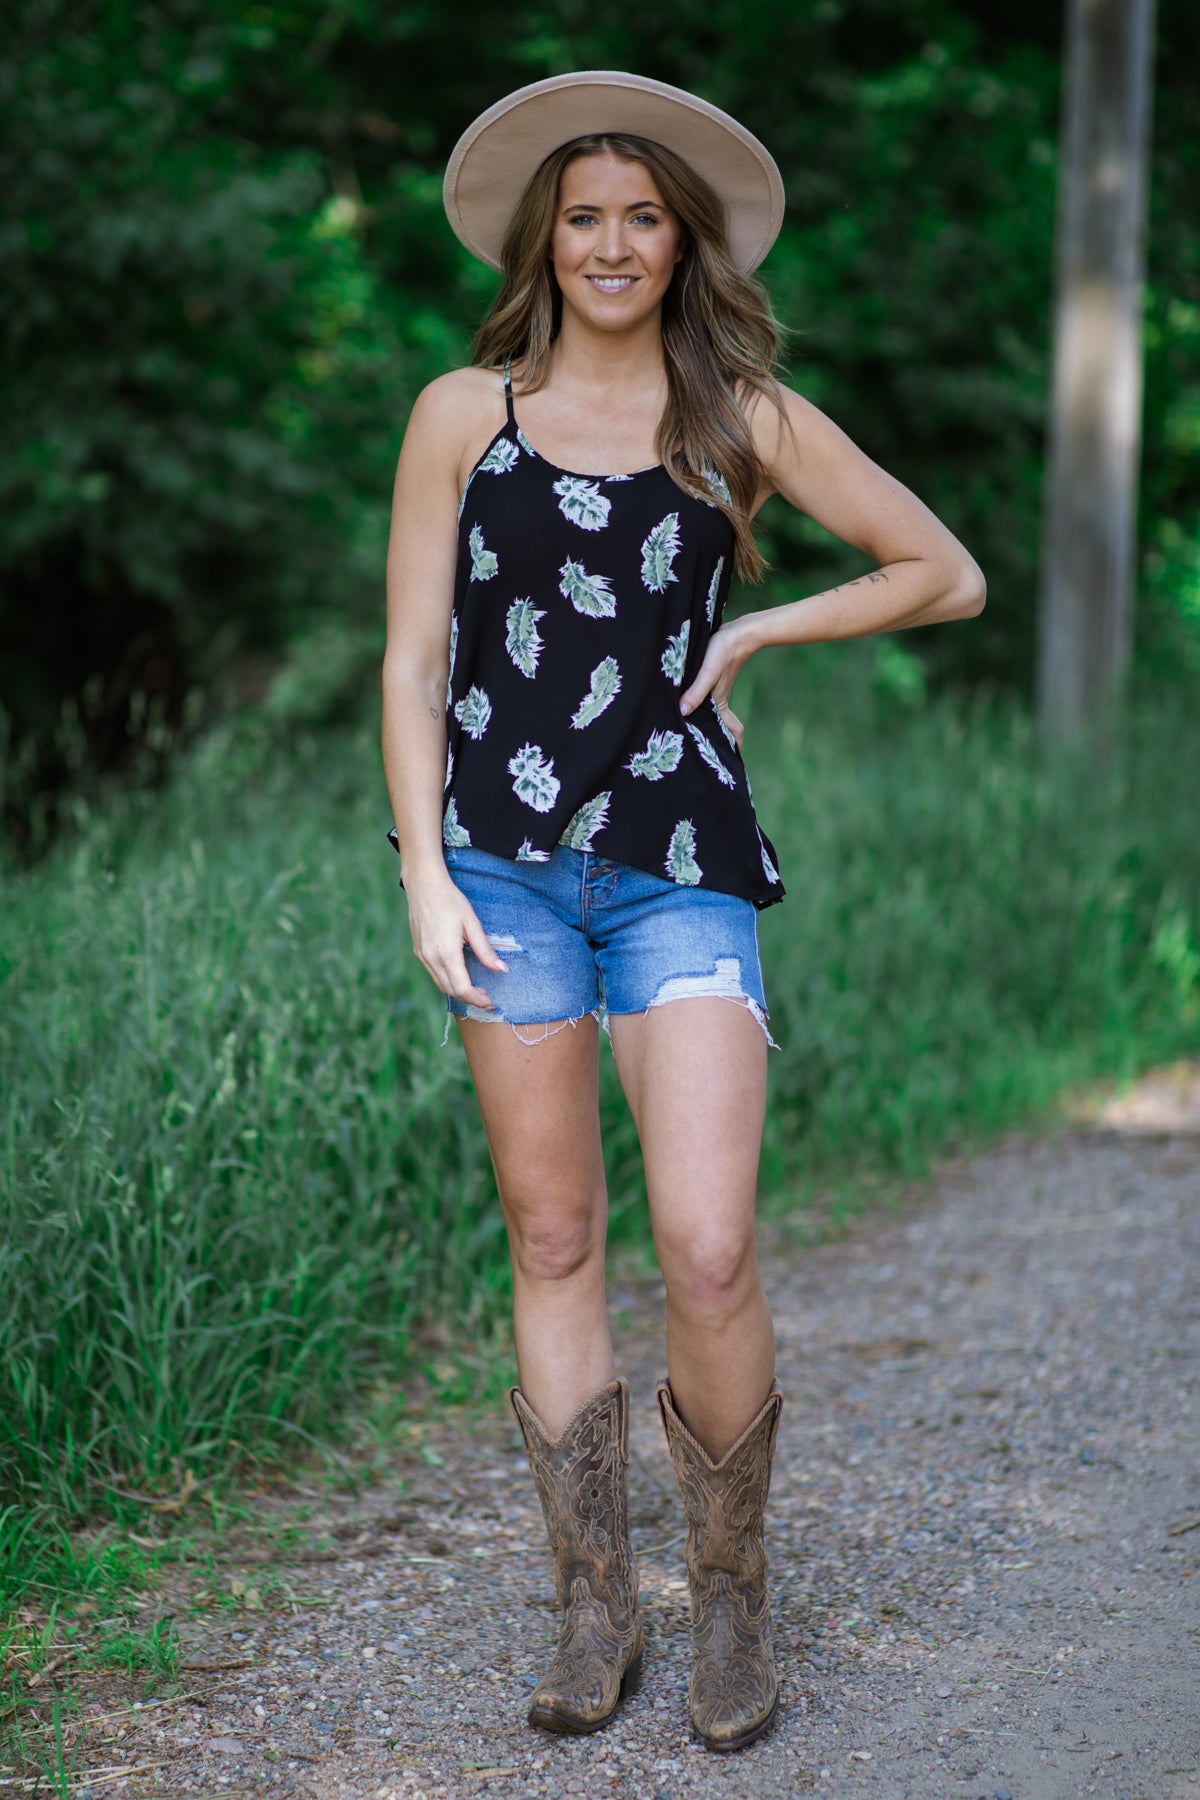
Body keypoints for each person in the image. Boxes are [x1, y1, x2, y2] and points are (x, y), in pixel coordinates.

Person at [381, 71, 985, 1753]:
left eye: (645, 215)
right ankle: (596, 1612)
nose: (613, 242)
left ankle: (728, 1609)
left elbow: (943, 566)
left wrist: (755, 639)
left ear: (683, 241)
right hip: (498, 870)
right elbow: (412, 661)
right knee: (557, 1235)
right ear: (543, 239)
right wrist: (423, 867)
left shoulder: (744, 421)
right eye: (585, 215)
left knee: (707, 1242)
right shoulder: (462, 414)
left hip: (679, 863)